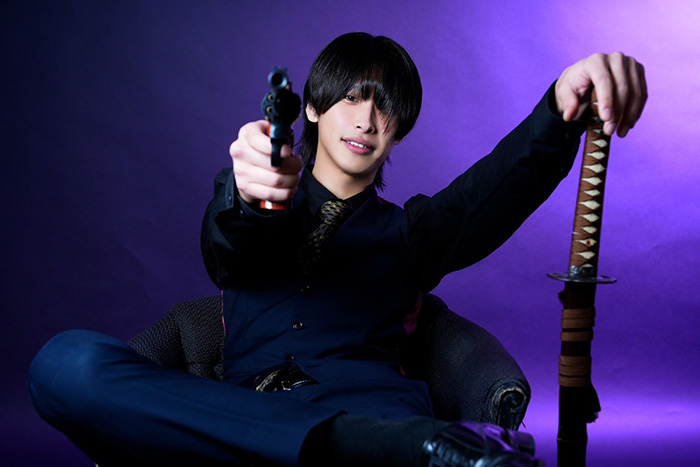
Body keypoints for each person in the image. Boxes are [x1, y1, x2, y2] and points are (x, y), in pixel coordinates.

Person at [28, 32, 646, 466]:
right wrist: (247, 193)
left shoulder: (413, 232)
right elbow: (228, 246)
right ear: (313, 108)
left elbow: (500, 186)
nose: (367, 120)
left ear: (398, 132)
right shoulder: (254, 196)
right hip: (252, 422)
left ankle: (389, 446)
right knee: (65, 363)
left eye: (386, 108)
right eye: (351, 97)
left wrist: (562, 105)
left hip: (376, 411)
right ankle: (412, 451)